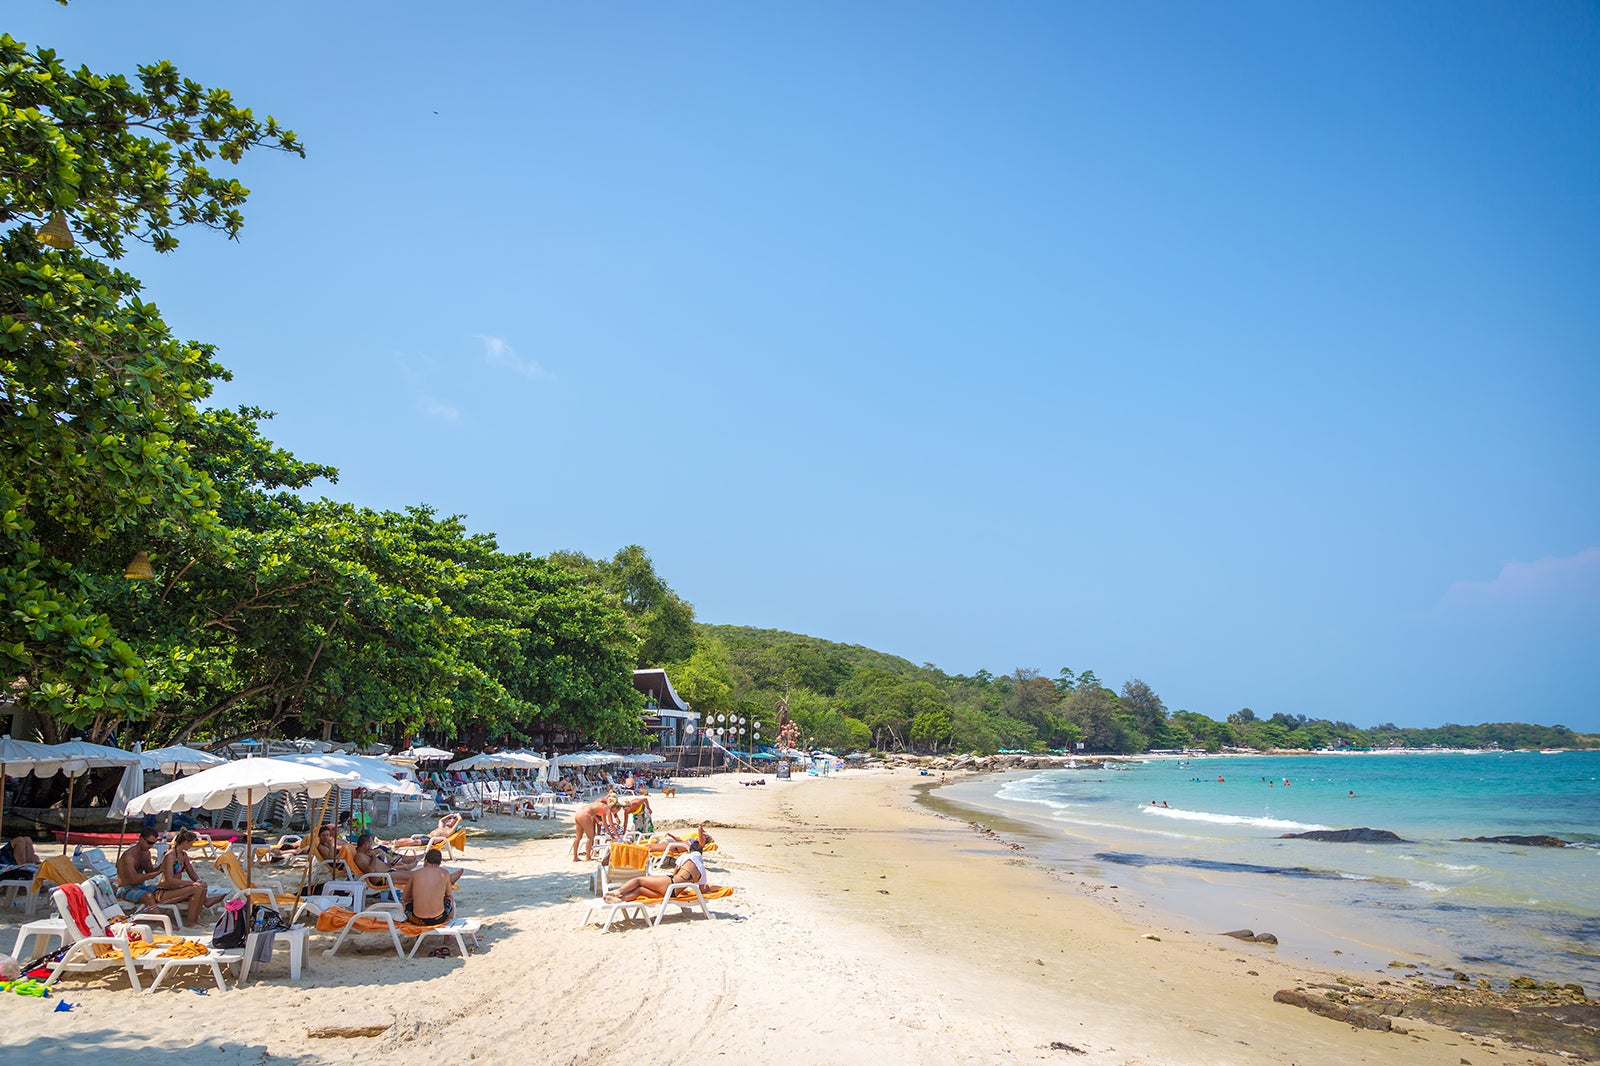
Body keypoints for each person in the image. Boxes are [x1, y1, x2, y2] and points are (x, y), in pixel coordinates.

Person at [605, 838, 708, 903]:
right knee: (640, 890)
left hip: (670, 883)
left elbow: (675, 874)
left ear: (691, 851)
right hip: (673, 893)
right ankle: (620, 900)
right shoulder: (702, 869)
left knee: (639, 880)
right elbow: (702, 890)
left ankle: (617, 892)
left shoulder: (687, 857)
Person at [162, 829, 227, 923]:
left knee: (201, 885)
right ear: (185, 842)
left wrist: (198, 880)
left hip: (176, 889)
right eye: (191, 843)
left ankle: (203, 907)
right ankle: (191, 922)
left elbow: (190, 871)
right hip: (165, 892)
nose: (192, 846)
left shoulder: (183, 855)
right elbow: (169, 880)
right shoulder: (170, 856)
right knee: (196, 888)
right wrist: (192, 884)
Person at [401, 849, 455, 927]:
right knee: (450, 898)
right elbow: (448, 894)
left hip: (417, 919)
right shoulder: (444, 873)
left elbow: (405, 897)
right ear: (439, 863)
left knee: (406, 902)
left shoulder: (416, 874)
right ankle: (448, 936)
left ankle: (418, 935)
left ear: (425, 861)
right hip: (439, 918)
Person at [114, 828, 164, 910]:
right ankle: (161, 920)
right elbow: (134, 879)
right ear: (141, 839)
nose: (151, 846)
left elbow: (150, 872)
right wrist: (159, 871)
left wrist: (163, 865)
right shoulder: (129, 856)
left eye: (153, 843)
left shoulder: (146, 853)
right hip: (125, 889)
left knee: (163, 890)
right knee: (149, 897)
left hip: (141, 887)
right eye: (149, 843)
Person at [571, 796, 619, 862]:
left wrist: (611, 835)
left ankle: (575, 857)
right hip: (585, 815)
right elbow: (612, 825)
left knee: (578, 837)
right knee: (590, 837)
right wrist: (618, 837)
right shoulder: (607, 808)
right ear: (615, 807)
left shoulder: (603, 807)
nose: (616, 813)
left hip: (579, 813)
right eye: (617, 811)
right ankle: (588, 857)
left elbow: (605, 824)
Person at [390, 812, 462, 849]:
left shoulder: (450, 830)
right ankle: (390, 842)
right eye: (449, 820)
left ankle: (397, 844)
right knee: (411, 838)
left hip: (431, 841)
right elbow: (441, 820)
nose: (449, 821)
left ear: (454, 824)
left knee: (414, 841)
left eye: (451, 821)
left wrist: (457, 815)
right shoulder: (442, 827)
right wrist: (450, 815)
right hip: (427, 836)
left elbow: (460, 819)